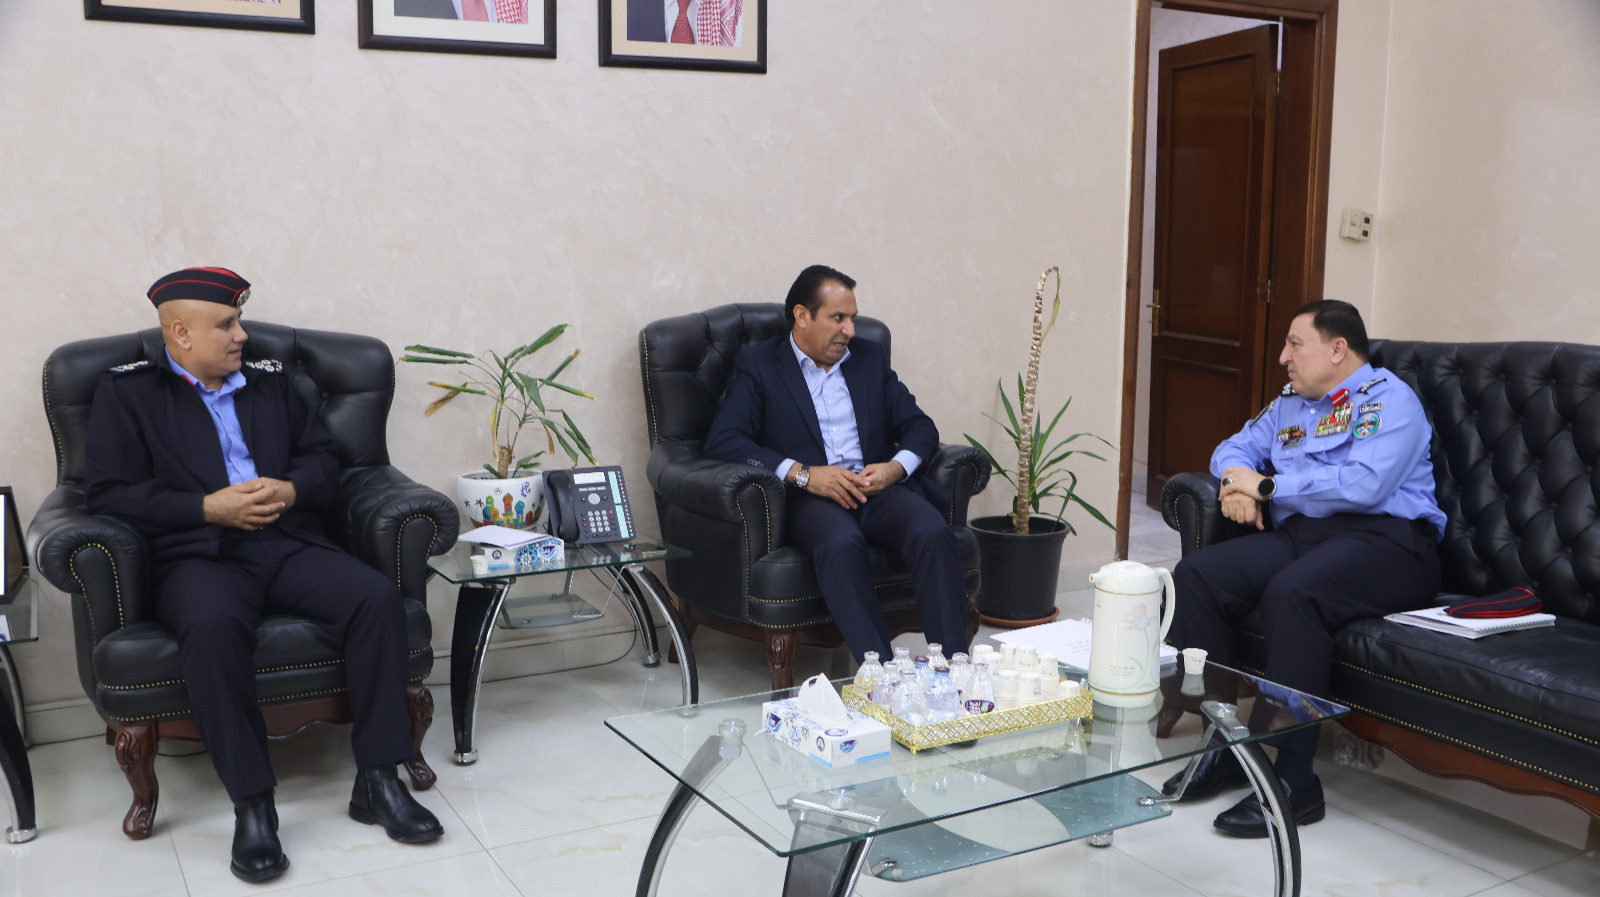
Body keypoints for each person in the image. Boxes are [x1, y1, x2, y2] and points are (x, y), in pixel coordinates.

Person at [85, 268, 442, 883]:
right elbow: (111, 493)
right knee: (212, 626)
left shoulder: (272, 382)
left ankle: (379, 781)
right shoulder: (129, 393)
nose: (242, 335)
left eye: (239, 321)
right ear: (180, 333)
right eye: (227, 324)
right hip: (199, 555)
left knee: (376, 600)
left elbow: (324, 459)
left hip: (288, 540)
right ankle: (254, 806)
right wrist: (205, 507)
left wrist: (293, 489)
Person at [1161, 299, 1446, 837]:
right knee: (1197, 576)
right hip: (1306, 536)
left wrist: (1266, 486)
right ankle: (1224, 748)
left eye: (1295, 344)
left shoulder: (1388, 401)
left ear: (1337, 349)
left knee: (1294, 593)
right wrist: (1237, 481)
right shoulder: (1291, 404)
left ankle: (1293, 782)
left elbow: (1365, 486)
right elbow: (1232, 448)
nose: (1282, 357)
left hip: (1390, 543)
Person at [703, 265, 969, 663]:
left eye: (853, 319)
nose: (850, 331)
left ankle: (953, 667)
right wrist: (804, 475)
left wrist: (894, 468)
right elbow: (725, 439)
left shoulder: (868, 358)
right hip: (810, 498)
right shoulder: (760, 365)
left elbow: (919, 426)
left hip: (875, 488)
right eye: (838, 318)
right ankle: (879, 673)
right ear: (802, 316)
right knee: (840, 542)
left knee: (931, 530)